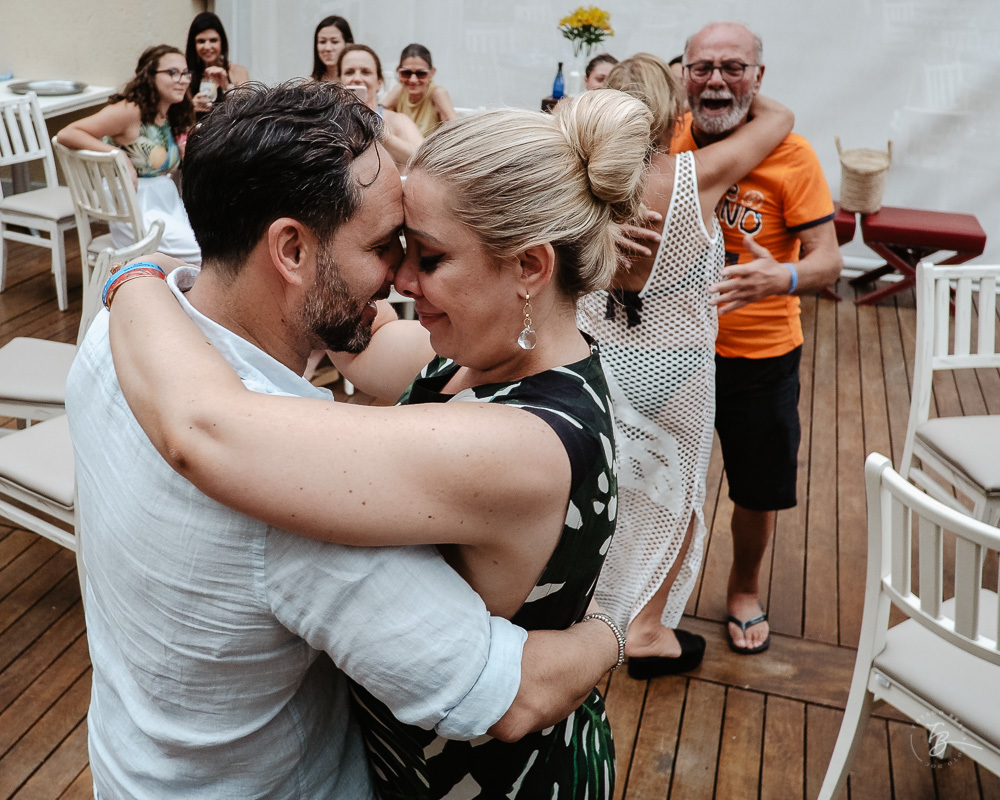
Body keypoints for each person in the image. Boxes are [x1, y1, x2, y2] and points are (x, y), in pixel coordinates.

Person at [69, 80, 627, 799]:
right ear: (292, 250)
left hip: (137, 761)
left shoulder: (119, 345)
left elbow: (225, 412)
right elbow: (505, 690)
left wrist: (135, 276)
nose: (397, 277)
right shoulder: (300, 502)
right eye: (389, 247)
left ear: (528, 267)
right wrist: (614, 627)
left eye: (424, 255)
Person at [577, 53, 793, 678]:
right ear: (672, 115)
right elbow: (781, 117)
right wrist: (729, 92)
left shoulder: (576, 178)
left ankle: (593, 607)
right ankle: (645, 630)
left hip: (602, 356)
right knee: (674, 493)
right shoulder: (695, 173)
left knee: (607, 482)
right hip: (677, 363)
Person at [671, 22, 842, 654]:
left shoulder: (792, 155)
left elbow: (830, 262)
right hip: (677, 348)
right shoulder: (669, 139)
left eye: (733, 68)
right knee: (662, 475)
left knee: (755, 487)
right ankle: (651, 592)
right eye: (703, 67)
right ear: (683, 73)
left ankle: (743, 588)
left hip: (760, 355)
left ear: (759, 79)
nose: (716, 80)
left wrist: (783, 275)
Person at [56, 44, 202, 265]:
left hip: (168, 206)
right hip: (135, 214)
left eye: (185, 73)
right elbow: (68, 133)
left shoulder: (172, 112)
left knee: (218, 242)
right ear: (150, 76)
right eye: (172, 72)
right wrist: (118, 156)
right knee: (204, 253)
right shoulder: (130, 111)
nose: (182, 79)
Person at [339, 43, 423, 169]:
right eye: (349, 72)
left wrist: (380, 132)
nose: (357, 78)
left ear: (379, 82)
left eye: (366, 72)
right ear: (339, 81)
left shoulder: (397, 121)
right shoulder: (327, 122)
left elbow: (425, 160)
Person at [381, 43, 456, 136]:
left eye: (421, 74)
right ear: (398, 72)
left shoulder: (437, 93)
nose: (413, 80)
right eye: (406, 73)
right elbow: (378, 117)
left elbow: (455, 130)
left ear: (432, 73)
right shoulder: (399, 90)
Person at [185, 11, 249, 115]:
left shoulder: (238, 71)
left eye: (213, 40)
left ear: (222, 42)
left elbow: (246, 110)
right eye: (201, 41)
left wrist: (226, 87)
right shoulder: (185, 74)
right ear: (193, 44)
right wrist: (191, 107)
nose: (207, 47)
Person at [310, 14, 353, 82]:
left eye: (335, 42)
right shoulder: (308, 85)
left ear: (348, 43)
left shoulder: (356, 81)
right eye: (322, 42)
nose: (328, 48)